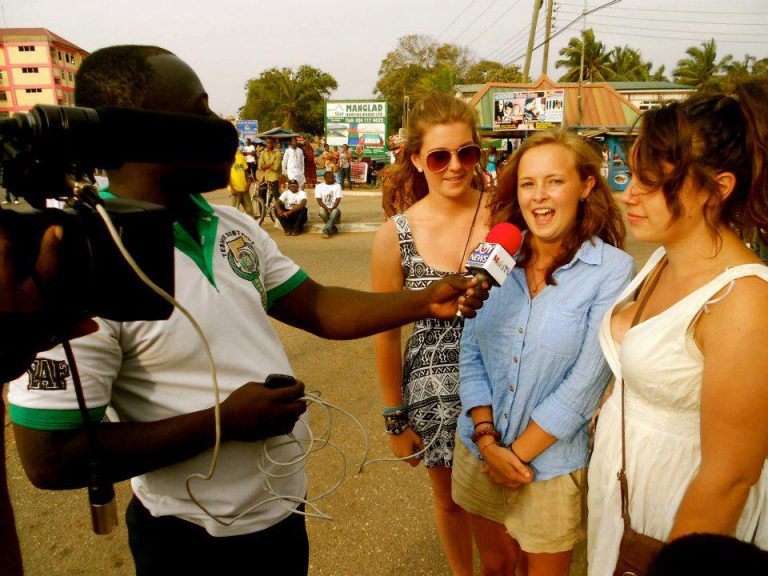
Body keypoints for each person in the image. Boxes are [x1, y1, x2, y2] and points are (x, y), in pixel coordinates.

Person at [7, 45, 489, 576]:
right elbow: (51, 457)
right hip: (188, 541)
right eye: (201, 111)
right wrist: (222, 424)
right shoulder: (84, 257)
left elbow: (322, 306)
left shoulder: (233, 228)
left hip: (280, 518)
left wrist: (424, 300)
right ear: (141, 132)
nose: (222, 127)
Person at [588, 80, 768, 575]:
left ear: (718, 188)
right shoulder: (665, 256)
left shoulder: (743, 301)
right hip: (627, 496)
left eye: (652, 182)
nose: (629, 194)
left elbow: (730, 477)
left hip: (682, 511)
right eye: (630, 175)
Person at [453, 130, 634, 576]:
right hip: (478, 447)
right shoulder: (493, 257)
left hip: (550, 466)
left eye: (554, 181)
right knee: (495, 565)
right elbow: (470, 351)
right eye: (527, 184)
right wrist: (487, 441)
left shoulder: (612, 270)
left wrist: (513, 457)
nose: (539, 197)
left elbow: (587, 384)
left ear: (587, 186)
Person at [372, 93, 492, 576]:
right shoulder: (395, 234)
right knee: (451, 503)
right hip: (433, 391)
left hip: (505, 380)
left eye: (467, 153)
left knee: (507, 501)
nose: (454, 167)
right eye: (440, 156)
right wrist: (393, 417)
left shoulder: (507, 214)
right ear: (418, 159)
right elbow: (385, 333)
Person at [314, 170, 343, 239]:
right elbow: (319, 201)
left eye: (334, 177)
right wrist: (327, 208)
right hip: (325, 209)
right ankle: (333, 228)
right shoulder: (319, 187)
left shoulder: (337, 186)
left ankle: (326, 231)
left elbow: (338, 200)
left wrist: (332, 208)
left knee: (335, 211)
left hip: (335, 209)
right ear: (326, 179)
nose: (334, 179)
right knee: (321, 212)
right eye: (332, 177)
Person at [228, 149, 254, 217]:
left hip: (245, 189)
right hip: (235, 191)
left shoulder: (240, 155)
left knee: (250, 211)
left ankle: (250, 226)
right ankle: (234, 227)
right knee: (234, 213)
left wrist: (248, 182)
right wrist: (232, 188)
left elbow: (245, 171)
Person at [258, 137, 282, 201]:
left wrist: (265, 166)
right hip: (265, 176)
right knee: (260, 194)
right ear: (266, 143)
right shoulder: (263, 153)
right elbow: (260, 166)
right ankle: (262, 210)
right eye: (268, 143)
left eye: (271, 143)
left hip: (274, 176)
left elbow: (276, 168)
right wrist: (270, 164)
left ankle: (278, 209)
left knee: (276, 195)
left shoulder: (278, 153)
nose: (269, 144)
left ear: (274, 143)